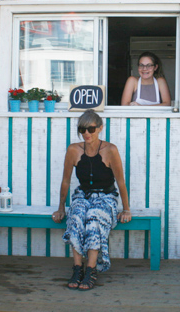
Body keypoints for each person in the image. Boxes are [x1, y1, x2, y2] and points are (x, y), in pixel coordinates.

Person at [52, 110, 131, 290]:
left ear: (100, 128)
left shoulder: (110, 150)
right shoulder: (74, 150)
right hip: (83, 195)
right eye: (82, 129)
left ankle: (91, 269)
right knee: (76, 216)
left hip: (106, 197)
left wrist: (126, 209)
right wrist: (61, 208)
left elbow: (120, 181)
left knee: (94, 218)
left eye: (91, 129)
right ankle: (77, 268)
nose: (87, 133)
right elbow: (65, 180)